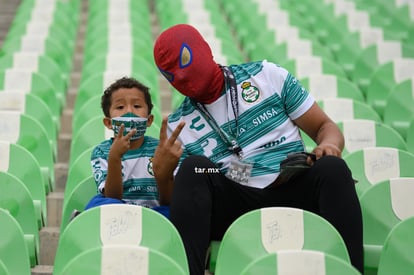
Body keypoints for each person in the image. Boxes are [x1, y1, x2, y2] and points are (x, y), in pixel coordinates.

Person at [152, 24, 364, 274]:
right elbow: (180, 202)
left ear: (204, 49)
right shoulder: (178, 125)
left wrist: (328, 144)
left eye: (184, 61)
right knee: (194, 169)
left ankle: (350, 270)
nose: (182, 77)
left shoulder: (265, 75)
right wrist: (161, 173)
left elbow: (324, 127)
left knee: (333, 168)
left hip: (291, 184)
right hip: (235, 195)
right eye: (170, 75)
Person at [83, 76, 169, 218]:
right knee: (97, 203)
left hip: (155, 215)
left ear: (149, 120)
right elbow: (111, 197)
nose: (129, 111)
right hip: (117, 216)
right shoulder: (102, 152)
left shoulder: (160, 149)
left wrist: (165, 171)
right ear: (108, 123)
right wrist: (114, 157)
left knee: (177, 210)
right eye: (120, 107)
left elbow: (169, 199)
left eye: (137, 106)